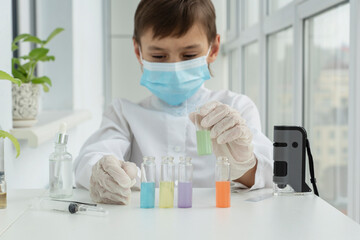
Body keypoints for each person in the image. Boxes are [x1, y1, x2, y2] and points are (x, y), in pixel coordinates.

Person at [74, 0, 273, 205]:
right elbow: (90, 159)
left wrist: (245, 165)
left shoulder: (237, 107)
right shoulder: (123, 114)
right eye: (159, 55)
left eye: (189, 55)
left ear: (213, 48)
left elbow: (269, 176)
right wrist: (102, 171)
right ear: (138, 51)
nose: (175, 68)